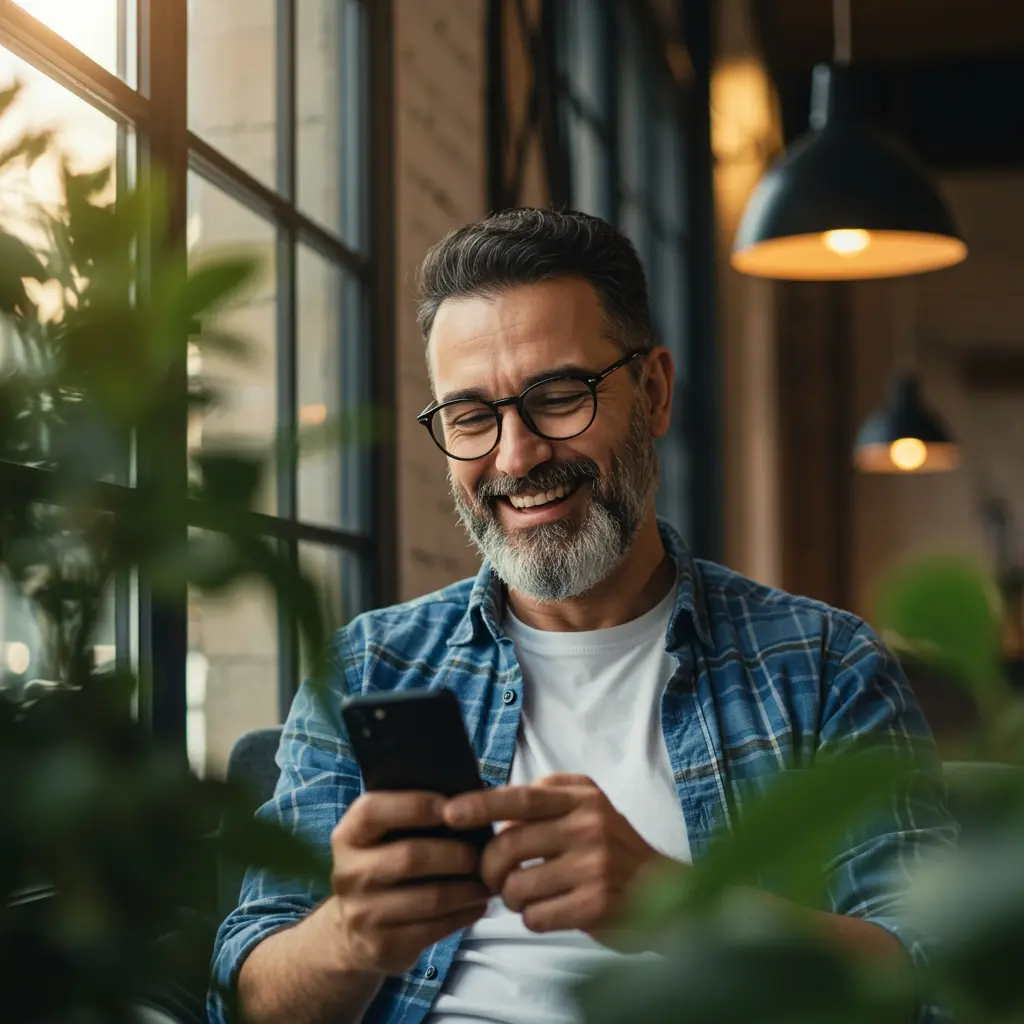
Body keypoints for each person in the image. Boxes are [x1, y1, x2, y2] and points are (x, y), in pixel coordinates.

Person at [209, 208, 955, 1024]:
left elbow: (933, 979)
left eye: (559, 396)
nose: (516, 456)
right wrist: (351, 936)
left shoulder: (822, 665)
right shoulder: (366, 666)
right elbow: (246, 997)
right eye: (470, 417)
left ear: (655, 392)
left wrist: (678, 905)